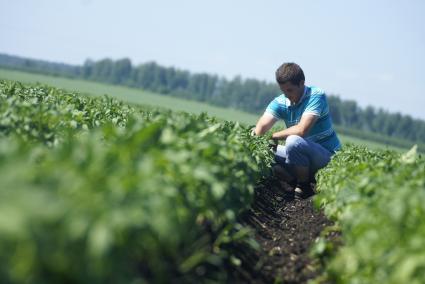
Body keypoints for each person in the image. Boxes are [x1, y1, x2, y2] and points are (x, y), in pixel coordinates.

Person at [253, 62, 341, 199]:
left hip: (326, 158)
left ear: (301, 83)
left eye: (290, 90)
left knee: (293, 141)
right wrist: (255, 137)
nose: (286, 95)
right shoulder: (280, 102)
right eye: (283, 91)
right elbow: (261, 127)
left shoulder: (316, 95)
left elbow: (302, 130)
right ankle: (292, 182)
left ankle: (304, 187)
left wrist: (274, 136)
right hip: (301, 159)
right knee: (262, 151)